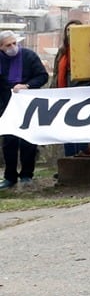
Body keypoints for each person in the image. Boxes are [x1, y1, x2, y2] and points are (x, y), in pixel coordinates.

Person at [0, 30, 49, 189]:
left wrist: (27, 86)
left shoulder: (29, 56)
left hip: (28, 104)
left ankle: (27, 174)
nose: (13, 47)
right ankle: (10, 177)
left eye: (14, 43)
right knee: (9, 142)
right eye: (8, 45)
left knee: (28, 141)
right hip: (7, 105)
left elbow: (42, 76)